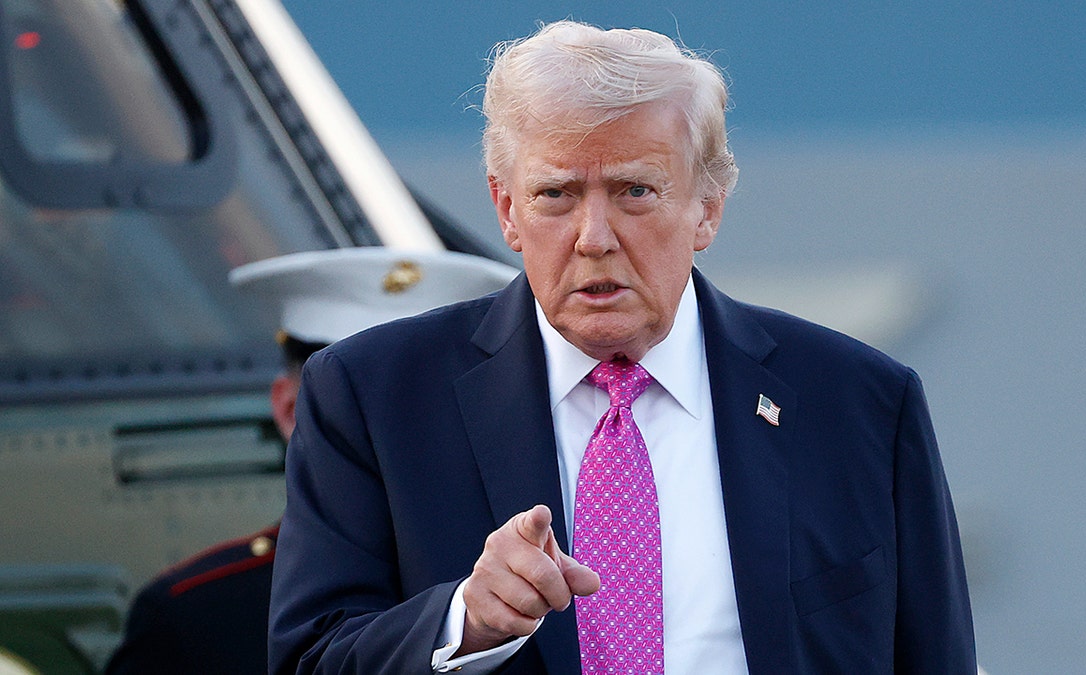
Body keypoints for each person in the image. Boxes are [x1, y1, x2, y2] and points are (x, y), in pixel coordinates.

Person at [269, 20, 976, 675]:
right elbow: (310, 658)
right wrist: (464, 621)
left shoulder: (859, 403)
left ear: (707, 208)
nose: (594, 238)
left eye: (635, 190)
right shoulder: (374, 396)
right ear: (507, 208)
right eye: (556, 194)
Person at [104, 248, 517, 675]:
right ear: (289, 410)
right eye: (351, 404)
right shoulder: (196, 618)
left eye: (426, 405)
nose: (395, 431)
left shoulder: (533, 590)